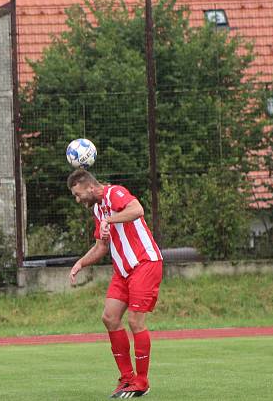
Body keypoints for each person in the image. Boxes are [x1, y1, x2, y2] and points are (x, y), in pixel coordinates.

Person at [66, 169, 163, 399]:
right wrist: (81, 263)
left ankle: (142, 382)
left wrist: (110, 218)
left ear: (89, 186)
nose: (78, 200)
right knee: (109, 317)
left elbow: (137, 209)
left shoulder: (114, 193)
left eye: (78, 194)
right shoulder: (99, 210)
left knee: (135, 321)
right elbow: (101, 246)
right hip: (123, 271)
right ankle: (127, 378)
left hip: (144, 263)